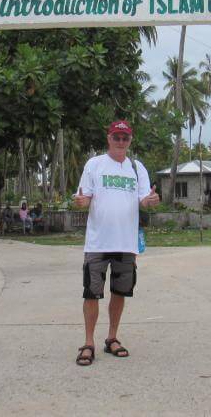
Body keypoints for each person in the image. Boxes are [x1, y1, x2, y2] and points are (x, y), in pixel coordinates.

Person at [72, 120, 159, 367]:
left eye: (125, 138)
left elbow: (144, 199)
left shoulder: (137, 167)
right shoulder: (95, 164)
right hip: (98, 243)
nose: (121, 142)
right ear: (108, 138)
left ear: (130, 140)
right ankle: (88, 343)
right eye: (116, 137)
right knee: (92, 293)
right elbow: (85, 197)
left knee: (120, 292)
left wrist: (151, 201)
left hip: (126, 242)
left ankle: (112, 338)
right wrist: (80, 202)